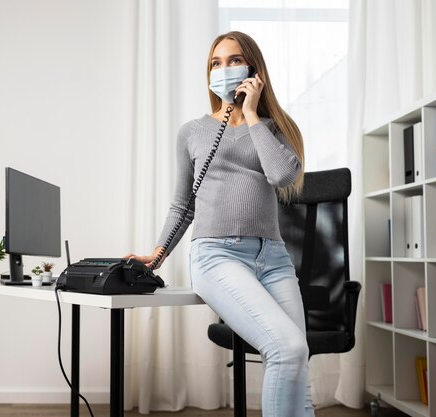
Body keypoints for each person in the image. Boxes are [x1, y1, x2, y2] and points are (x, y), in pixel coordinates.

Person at [124, 31, 314, 417]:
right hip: (216, 255)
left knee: (297, 360)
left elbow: (280, 176)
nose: (223, 69)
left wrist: (251, 114)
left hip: (273, 258)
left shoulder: (277, 128)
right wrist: (157, 256)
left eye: (234, 60)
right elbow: (182, 206)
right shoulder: (193, 132)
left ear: (254, 71)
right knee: (287, 348)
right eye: (216, 63)